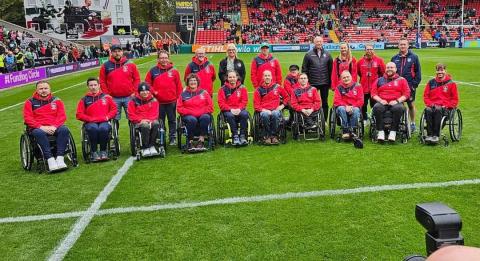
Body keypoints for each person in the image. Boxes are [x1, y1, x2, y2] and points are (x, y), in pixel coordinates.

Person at [23, 81, 69, 171]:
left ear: (49, 89)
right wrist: (41, 127)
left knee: (64, 129)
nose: (43, 90)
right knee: (38, 133)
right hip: (38, 128)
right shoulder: (29, 102)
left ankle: (60, 158)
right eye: (41, 89)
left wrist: (54, 126)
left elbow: (62, 116)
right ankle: (50, 159)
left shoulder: (57, 101)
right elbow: (28, 118)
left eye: (45, 88)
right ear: (36, 90)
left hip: (54, 126)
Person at [145, 50, 183, 146]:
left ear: (168, 58)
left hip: (172, 101)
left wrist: (179, 98)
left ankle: (172, 138)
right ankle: (161, 136)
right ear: (158, 59)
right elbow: (147, 85)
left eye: (165, 58)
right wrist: (154, 92)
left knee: (172, 120)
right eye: (161, 58)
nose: (164, 60)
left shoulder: (174, 71)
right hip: (158, 102)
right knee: (159, 121)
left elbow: (179, 86)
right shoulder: (152, 71)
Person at [76, 77, 117, 161]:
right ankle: (94, 152)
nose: (93, 87)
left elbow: (114, 110)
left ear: (99, 85)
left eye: (95, 85)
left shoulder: (107, 97)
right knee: (93, 128)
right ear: (88, 87)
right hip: (91, 122)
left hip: (104, 121)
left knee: (103, 128)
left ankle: (103, 151)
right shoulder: (84, 100)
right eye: (91, 85)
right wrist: (90, 119)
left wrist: (107, 117)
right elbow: (79, 114)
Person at [99, 44, 140, 121]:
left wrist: (135, 92)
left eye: (119, 51)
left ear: (122, 52)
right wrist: (107, 94)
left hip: (129, 97)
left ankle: (133, 133)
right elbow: (102, 81)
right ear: (111, 53)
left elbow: (137, 79)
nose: (117, 53)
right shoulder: (105, 66)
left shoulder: (130, 64)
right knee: (114, 119)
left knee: (132, 118)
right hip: (113, 98)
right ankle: (115, 133)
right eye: (115, 51)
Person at [371, 62, 410, 142]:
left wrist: (397, 101)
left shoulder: (402, 80)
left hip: (396, 102)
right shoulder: (379, 80)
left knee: (398, 108)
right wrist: (380, 100)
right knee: (377, 107)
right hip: (382, 102)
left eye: (391, 67)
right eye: (388, 67)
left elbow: (406, 94)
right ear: (385, 69)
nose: (389, 69)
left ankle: (393, 131)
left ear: (395, 69)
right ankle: (380, 131)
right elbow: (373, 93)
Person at [423, 63, 459, 144]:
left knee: (438, 110)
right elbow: (426, 96)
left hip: (445, 108)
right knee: (428, 110)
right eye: (438, 71)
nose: (440, 72)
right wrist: (430, 104)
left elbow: (455, 99)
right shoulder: (431, 82)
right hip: (432, 105)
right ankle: (429, 135)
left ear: (445, 71)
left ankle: (436, 135)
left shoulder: (451, 84)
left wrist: (447, 106)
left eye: (442, 70)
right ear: (436, 72)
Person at [177, 73, 214, 151]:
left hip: (202, 114)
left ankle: (201, 140)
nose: (193, 82)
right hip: (189, 115)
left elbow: (210, 106)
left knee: (206, 117)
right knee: (192, 120)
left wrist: (199, 112)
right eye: (191, 80)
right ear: (188, 82)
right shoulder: (183, 94)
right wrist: (191, 112)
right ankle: (190, 141)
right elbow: (179, 108)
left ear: (197, 82)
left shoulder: (204, 93)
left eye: (194, 80)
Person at [391, 38, 421, 132]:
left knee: (411, 105)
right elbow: (391, 72)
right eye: (401, 44)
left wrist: (414, 85)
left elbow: (418, 72)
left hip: (409, 86)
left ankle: (412, 123)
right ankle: (401, 122)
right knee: (399, 105)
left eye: (404, 44)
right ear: (398, 46)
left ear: (408, 46)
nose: (402, 46)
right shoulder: (394, 58)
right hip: (397, 86)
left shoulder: (414, 57)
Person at [253, 70, 289, 145]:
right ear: (263, 77)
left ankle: (273, 136)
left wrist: (282, 105)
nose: (267, 77)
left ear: (271, 77)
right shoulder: (258, 90)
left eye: (269, 75)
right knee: (265, 115)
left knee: (275, 114)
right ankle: (267, 136)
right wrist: (264, 110)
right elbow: (256, 105)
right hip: (264, 110)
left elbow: (286, 97)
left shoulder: (277, 87)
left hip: (275, 109)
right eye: (265, 76)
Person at [302, 36, 333, 120]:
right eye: (317, 42)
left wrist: (330, 83)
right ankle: (312, 119)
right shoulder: (308, 54)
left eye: (320, 41)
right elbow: (304, 69)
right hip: (312, 83)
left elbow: (331, 70)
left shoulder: (328, 54)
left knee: (325, 102)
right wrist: (306, 83)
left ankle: (324, 120)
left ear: (322, 42)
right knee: (311, 102)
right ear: (314, 43)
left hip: (325, 83)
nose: (319, 43)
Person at [127, 82, 161, 157]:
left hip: (151, 120)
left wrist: (149, 121)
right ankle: (145, 147)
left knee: (156, 124)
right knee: (145, 126)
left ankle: (152, 146)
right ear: (139, 92)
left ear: (149, 91)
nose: (145, 92)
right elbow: (131, 114)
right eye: (142, 91)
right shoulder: (133, 101)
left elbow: (155, 113)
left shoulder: (154, 100)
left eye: (146, 90)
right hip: (139, 122)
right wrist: (141, 120)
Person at [218, 70, 249, 146]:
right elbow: (221, 103)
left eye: (234, 77)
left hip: (239, 109)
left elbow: (244, 101)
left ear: (237, 77)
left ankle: (242, 135)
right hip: (228, 110)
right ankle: (235, 136)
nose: (232, 79)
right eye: (230, 77)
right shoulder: (222, 89)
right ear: (227, 78)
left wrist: (239, 109)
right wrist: (230, 109)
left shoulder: (242, 88)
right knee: (230, 115)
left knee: (244, 114)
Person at [357, 43, 385, 123]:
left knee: (375, 105)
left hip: (375, 88)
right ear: (364, 50)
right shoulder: (360, 62)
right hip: (363, 87)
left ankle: (374, 118)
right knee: (363, 105)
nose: (369, 51)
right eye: (367, 49)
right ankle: (364, 119)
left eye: (371, 49)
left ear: (373, 50)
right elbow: (359, 73)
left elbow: (383, 73)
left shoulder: (379, 60)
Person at [333, 71, 364, 139]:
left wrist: (352, 107)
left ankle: (352, 130)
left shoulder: (358, 86)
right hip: (343, 107)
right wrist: (346, 106)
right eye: (344, 77)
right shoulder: (339, 87)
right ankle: (345, 131)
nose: (346, 79)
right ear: (341, 79)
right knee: (341, 109)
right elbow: (337, 100)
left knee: (356, 110)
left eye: (347, 77)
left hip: (354, 106)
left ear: (351, 77)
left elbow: (361, 100)